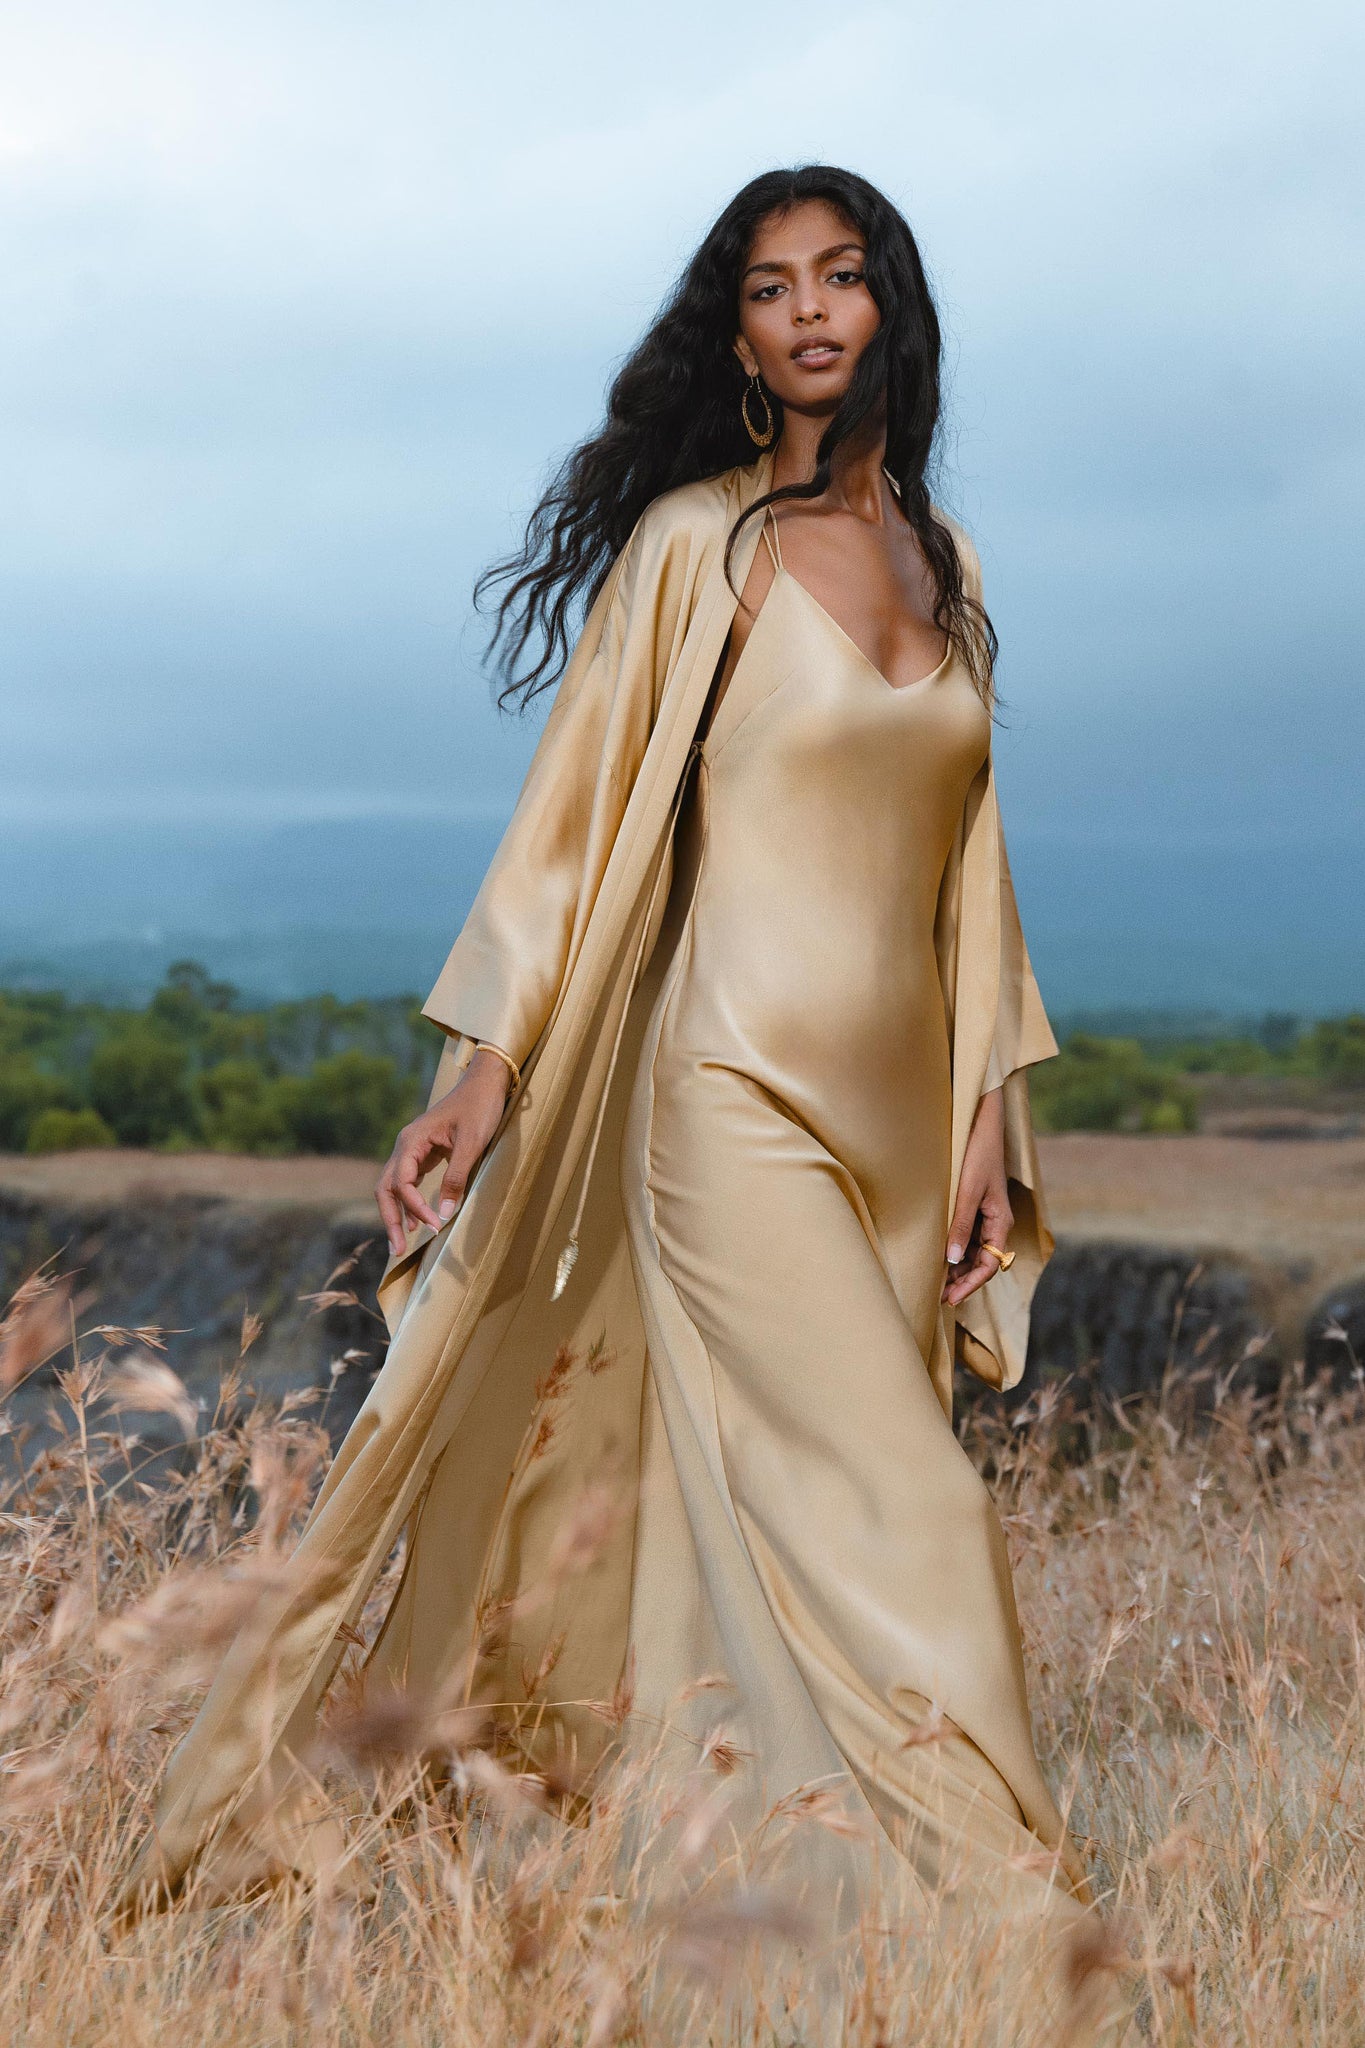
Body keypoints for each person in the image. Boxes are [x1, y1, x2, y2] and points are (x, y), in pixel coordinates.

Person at [123, 165, 1095, 1949]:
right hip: (723, 1095)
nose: (807, 308)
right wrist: (478, 1073)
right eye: (767, 285)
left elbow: (972, 868)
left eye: (842, 274)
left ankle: (744, 1875)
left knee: (766, 1515)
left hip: (895, 1129)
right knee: (906, 1501)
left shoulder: (947, 571)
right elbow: (568, 825)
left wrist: (982, 1117)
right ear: (733, 334)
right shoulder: (694, 550)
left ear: (893, 306)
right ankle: (1016, 1909)